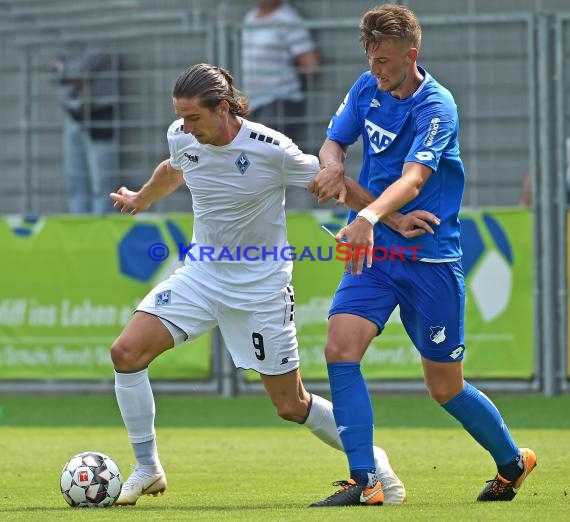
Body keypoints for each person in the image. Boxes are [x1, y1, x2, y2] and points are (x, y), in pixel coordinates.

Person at [108, 63, 411, 506]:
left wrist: (393, 218)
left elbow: (336, 184)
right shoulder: (183, 136)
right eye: (181, 118)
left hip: (260, 288)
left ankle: (375, 465)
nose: (185, 128)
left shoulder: (272, 150)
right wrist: (141, 197)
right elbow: (175, 168)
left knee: (291, 405)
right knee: (126, 353)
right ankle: (147, 467)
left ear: (224, 108)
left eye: (195, 118)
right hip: (202, 274)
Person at [307, 4, 536, 507]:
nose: (374, 69)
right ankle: (365, 480)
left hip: (430, 260)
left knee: (444, 388)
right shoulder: (366, 87)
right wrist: (331, 166)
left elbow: (413, 180)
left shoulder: (437, 106)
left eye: (384, 60)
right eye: (369, 57)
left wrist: (365, 217)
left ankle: (512, 462)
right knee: (340, 350)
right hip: (376, 254)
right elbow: (332, 144)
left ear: (411, 55)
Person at [242, 0, 322, 209]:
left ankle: (293, 210)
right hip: (255, 104)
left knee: (274, 161)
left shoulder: (288, 19)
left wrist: (280, 78)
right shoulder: (250, 17)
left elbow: (311, 64)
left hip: (281, 103)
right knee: (263, 162)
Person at [50, 49, 118, 214]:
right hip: (73, 117)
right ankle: (79, 224)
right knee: (74, 179)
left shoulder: (99, 47)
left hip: (99, 117)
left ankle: (99, 225)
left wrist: (65, 69)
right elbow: (54, 67)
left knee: (102, 182)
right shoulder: (69, 44)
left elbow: (85, 65)